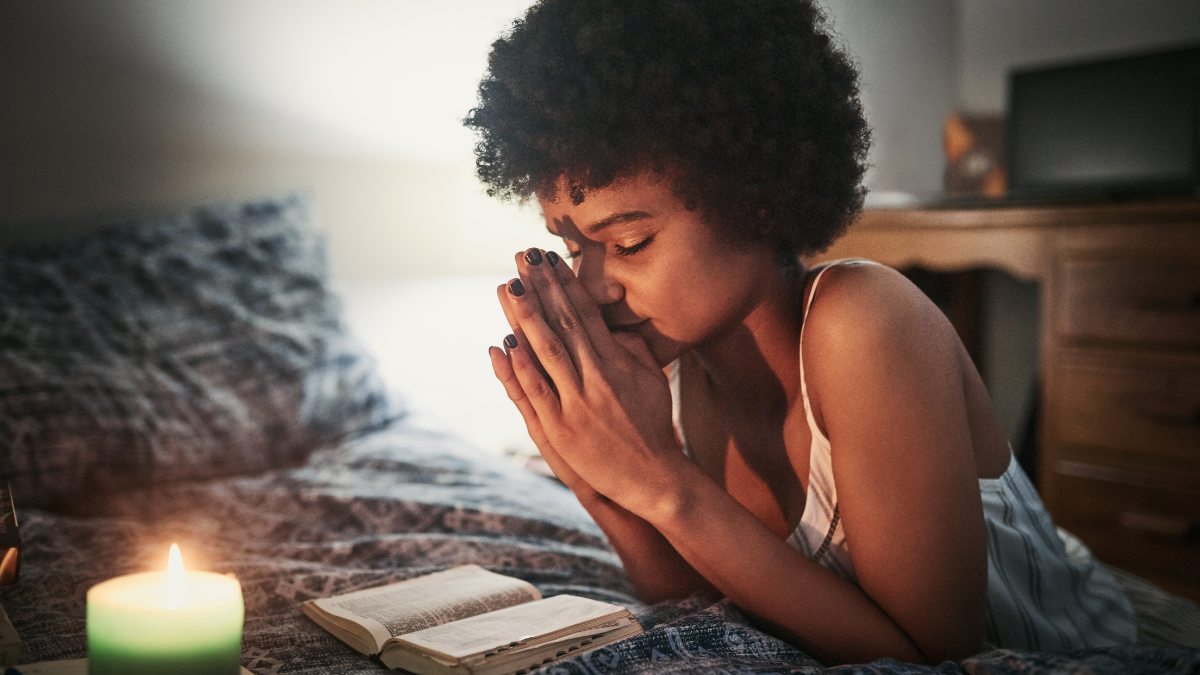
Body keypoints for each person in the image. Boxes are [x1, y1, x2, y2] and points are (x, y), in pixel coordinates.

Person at [465, 0, 1137, 665]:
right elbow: (697, 605)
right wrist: (598, 478)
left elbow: (933, 658)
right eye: (575, 248)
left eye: (633, 241)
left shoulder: (864, 320)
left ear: (755, 198)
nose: (592, 287)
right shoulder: (662, 376)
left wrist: (665, 481)